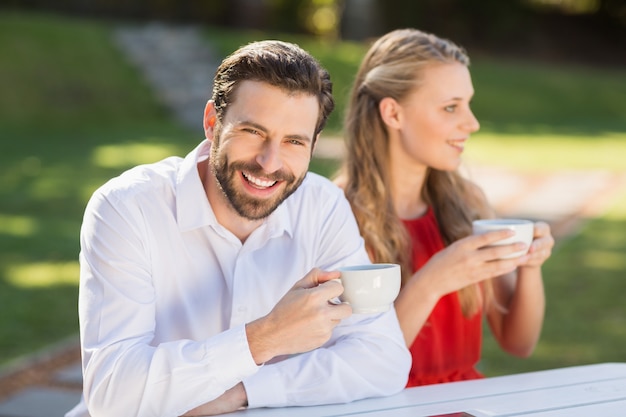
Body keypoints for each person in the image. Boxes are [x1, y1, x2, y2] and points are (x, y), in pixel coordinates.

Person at [65, 40, 410, 417]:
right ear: (213, 123)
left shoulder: (321, 205)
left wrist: (240, 393)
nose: (269, 162)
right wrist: (264, 338)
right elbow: (113, 395)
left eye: (294, 141)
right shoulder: (128, 207)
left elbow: (384, 359)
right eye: (253, 132)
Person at [335, 28, 554, 387]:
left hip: (465, 402)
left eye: (467, 104)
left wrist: (531, 264)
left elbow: (519, 343)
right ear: (393, 113)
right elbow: (353, 367)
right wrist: (433, 280)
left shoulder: (468, 203)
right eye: (451, 107)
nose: (472, 123)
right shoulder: (337, 212)